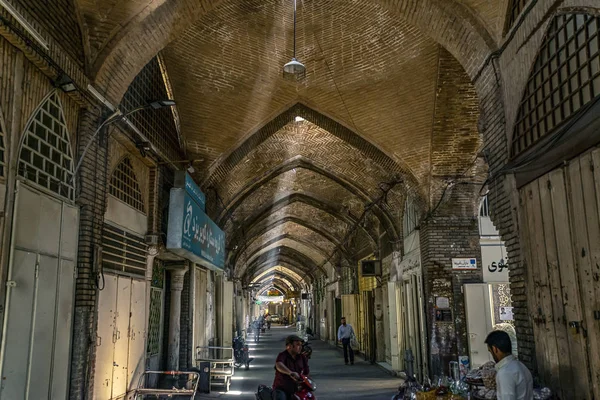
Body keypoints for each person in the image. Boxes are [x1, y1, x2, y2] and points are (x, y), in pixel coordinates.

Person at [485, 330, 533, 400]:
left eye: (490, 351)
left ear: (495, 349)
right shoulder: (521, 366)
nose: (492, 355)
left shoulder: (505, 373)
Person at [273, 334, 310, 400]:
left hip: (296, 389)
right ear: (289, 346)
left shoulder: (302, 357)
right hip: (282, 388)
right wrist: (290, 373)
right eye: (298, 345)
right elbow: (279, 364)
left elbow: (306, 372)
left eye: (301, 345)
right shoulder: (283, 355)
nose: (300, 347)